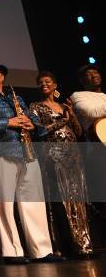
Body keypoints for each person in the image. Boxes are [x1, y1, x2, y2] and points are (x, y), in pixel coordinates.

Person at [0, 61, 63, 264]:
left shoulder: (18, 99)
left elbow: (36, 124)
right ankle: (12, 251)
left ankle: (41, 250)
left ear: (3, 76)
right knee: (4, 204)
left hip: (26, 152)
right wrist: (8, 122)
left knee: (34, 202)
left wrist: (32, 125)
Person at [29, 71, 92, 256]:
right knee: (61, 201)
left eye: (47, 81)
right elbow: (38, 131)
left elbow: (78, 132)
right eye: (40, 83)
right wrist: (60, 122)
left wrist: (70, 114)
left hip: (73, 157)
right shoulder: (36, 106)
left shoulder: (63, 105)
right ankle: (66, 245)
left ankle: (84, 244)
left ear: (55, 85)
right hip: (53, 156)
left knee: (78, 200)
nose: (43, 84)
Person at [70, 64, 106, 139]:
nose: (94, 75)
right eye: (88, 74)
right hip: (97, 140)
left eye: (96, 72)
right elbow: (92, 112)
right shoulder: (77, 95)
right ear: (82, 80)